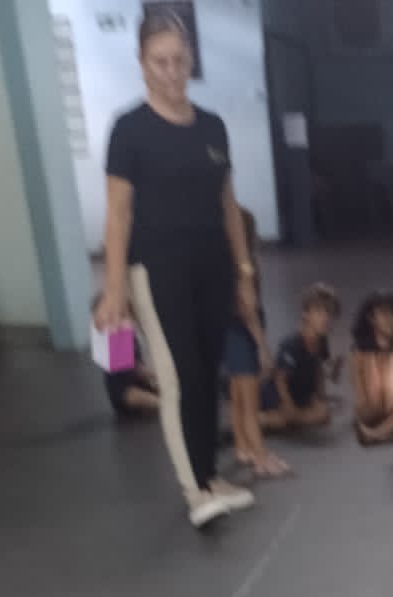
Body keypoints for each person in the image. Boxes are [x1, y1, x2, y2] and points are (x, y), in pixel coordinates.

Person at [94, 13, 257, 530]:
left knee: (206, 372)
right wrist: (114, 288)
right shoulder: (129, 131)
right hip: (156, 269)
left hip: (212, 266)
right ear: (142, 63)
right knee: (178, 376)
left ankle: (210, 475)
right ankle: (194, 490)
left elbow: (227, 203)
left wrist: (244, 272)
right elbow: (118, 214)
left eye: (179, 61)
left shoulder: (212, 127)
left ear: (190, 62)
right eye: (159, 62)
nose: (170, 72)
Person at [223, 208, 291, 478]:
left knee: (237, 398)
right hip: (243, 339)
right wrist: (263, 348)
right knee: (250, 404)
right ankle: (260, 455)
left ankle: (243, 447)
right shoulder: (245, 271)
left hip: (230, 337)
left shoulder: (225, 268)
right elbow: (248, 312)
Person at [260, 283, 342, 434]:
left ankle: (293, 419)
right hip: (278, 395)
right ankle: (260, 419)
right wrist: (289, 406)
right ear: (306, 314)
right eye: (319, 312)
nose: (325, 318)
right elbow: (280, 380)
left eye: (329, 313)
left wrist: (320, 397)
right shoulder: (292, 344)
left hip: (301, 394)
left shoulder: (322, 340)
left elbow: (319, 369)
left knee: (323, 415)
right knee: (283, 420)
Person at [350, 290, 393, 445]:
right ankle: (381, 431)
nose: (390, 319)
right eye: (384, 314)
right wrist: (364, 403)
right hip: (371, 407)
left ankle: (374, 434)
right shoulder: (360, 352)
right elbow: (358, 386)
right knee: (367, 412)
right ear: (372, 318)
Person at [91, 293, 160, 420]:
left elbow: (137, 368)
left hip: (139, 385)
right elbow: (125, 387)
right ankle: (159, 403)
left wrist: (155, 376)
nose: (118, 323)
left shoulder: (128, 336)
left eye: (124, 316)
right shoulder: (113, 343)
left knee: (164, 389)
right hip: (124, 396)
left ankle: (159, 399)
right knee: (128, 391)